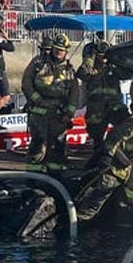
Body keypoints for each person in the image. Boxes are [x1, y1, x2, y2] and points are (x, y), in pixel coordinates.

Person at [76, 110, 133, 221]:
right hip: (113, 168)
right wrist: (108, 155)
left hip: (125, 172)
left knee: (118, 203)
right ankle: (78, 222)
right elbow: (114, 138)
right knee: (97, 198)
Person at [21, 34, 80, 174]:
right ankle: (34, 178)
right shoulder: (39, 63)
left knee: (58, 147)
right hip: (39, 114)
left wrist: (69, 113)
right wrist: (38, 100)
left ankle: (55, 177)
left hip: (59, 116)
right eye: (56, 49)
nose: (58, 52)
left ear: (66, 52)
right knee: (38, 146)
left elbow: (74, 94)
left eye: (62, 50)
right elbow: (26, 83)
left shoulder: (70, 71)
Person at [76, 40, 129, 152]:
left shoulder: (114, 68)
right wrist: (89, 60)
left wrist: (118, 60)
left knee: (125, 127)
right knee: (97, 139)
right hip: (96, 109)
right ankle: (98, 162)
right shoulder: (91, 69)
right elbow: (81, 74)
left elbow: (127, 74)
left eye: (106, 55)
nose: (104, 58)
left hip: (114, 107)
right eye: (101, 56)